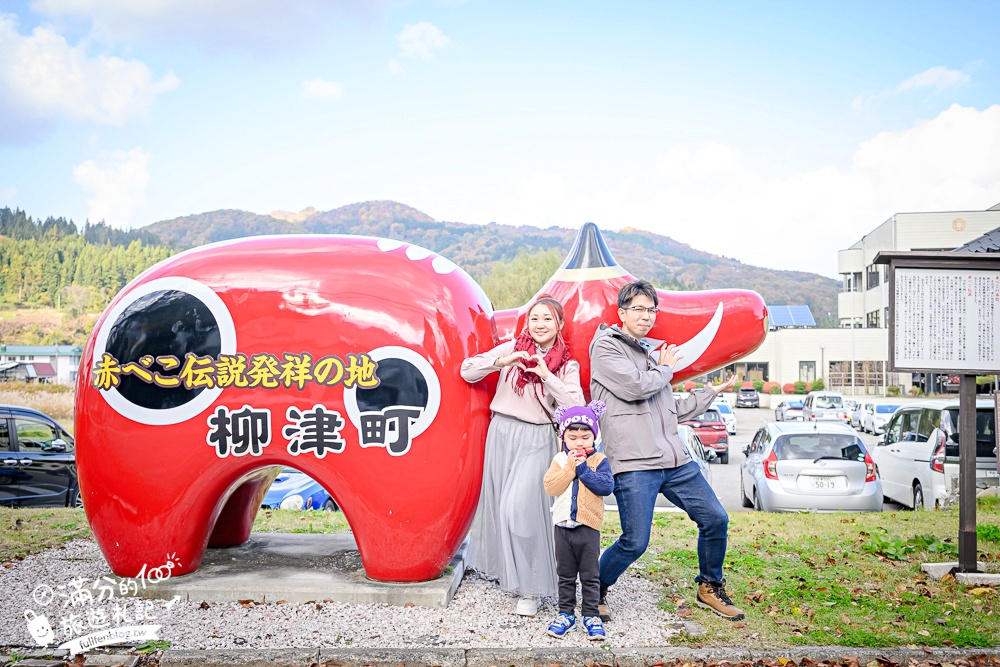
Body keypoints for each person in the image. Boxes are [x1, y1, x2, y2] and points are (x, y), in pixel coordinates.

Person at [588, 279, 743, 621]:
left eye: (651, 310)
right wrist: (666, 367)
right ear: (622, 312)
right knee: (635, 542)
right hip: (634, 463)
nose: (646, 316)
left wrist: (712, 392)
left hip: (675, 460)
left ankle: (709, 586)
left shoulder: (649, 355)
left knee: (716, 518)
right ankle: (595, 588)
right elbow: (635, 387)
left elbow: (672, 410)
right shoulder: (606, 347)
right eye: (639, 309)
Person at [461, 295, 585, 616]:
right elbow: (467, 370)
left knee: (519, 509)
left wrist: (547, 375)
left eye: (547, 319)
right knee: (499, 509)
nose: (540, 325)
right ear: (526, 323)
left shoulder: (566, 364)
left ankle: (532, 588)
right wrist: (503, 362)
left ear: (559, 325)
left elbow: (576, 406)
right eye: (534, 319)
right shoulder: (512, 349)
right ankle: (512, 574)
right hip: (501, 432)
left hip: (536, 438)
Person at [543, 400, 614, 640]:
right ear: (564, 438)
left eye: (585, 437)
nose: (579, 442)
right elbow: (551, 487)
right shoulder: (560, 460)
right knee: (565, 574)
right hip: (562, 527)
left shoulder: (599, 461)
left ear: (594, 437)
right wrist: (571, 468)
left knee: (590, 574)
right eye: (572, 437)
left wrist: (583, 469)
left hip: (588, 528)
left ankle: (591, 615)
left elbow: (605, 487)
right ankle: (566, 614)